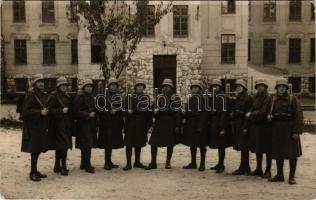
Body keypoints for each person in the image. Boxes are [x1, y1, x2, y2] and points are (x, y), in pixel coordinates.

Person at [268, 78, 303, 185]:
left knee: (292, 154)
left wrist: (296, 131)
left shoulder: (293, 99)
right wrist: (269, 117)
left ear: (286, 88)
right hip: (277, 129)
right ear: (277, 89)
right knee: (279, 153)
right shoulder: (274, 99)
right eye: (279, 87)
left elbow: (298, 116)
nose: (281, 89)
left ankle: (291, 177)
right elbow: (271, 113)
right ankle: (280, 175)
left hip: (289, 129)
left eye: (283, 87)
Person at [146, 78, 182, 170]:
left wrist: (177, 125)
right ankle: (153, 162)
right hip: (159, 122)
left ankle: (168, 162)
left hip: (170, 122)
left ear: (171, 87)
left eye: (168, 86)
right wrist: (155, 111)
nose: (166, 88)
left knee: (170, 143)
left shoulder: (176, 98)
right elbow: (152, 110)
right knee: (153, 143)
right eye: (164, 86)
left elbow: (178, 112)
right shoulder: (158, 97)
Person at [21, 74, 49, 181]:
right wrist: (40, 112)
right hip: (32, 126)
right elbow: (25, 111)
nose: (41, 84)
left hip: (40, 125)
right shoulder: (31, 94)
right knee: (34, 149)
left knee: (38, 149)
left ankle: (35, 170)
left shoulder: (42, 94)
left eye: (42, 82)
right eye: (39, 82)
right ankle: (32, 172)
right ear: (35, 84)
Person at [122, 80, 152, 170]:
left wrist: (149, 124)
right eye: (138, 86)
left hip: (141, 123)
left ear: (143, 88)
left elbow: (148, 111)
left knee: (139, 143)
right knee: (129, 144)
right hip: (130, 123)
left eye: (141, 86)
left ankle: (137, 162)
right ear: (135, 88)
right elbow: (123, 109)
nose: (139, 87)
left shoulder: (146, 97)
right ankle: (128, 164)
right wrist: (127, 112)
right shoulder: (129, 97)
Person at [246, 79, 272, 178]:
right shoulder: (257, 97)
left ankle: (268, 170)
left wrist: (251, 114)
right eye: (258, 86)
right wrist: (252, 113)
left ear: (265, 87)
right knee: (258, 148)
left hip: (265, 127)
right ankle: (258, 169)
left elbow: (263, 113)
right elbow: (253, 108)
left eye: (262, 86)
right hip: (256, 127)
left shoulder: (268, 98)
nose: (260, 87)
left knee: (267, 150)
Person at [205, 79, 232, 173]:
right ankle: (219, 163)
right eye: (213, 86)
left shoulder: (224, 97)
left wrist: (222, 128)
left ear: (220, 87)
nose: (214, 88)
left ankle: (221, 164)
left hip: (221, 123)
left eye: (216, 86)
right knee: (217, 144)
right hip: (213, 124)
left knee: (221, 145)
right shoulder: (212, 97)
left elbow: (225, 113)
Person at [47, 77, 72, 176]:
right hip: (57, 125)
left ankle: (57, 166)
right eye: (63, 85)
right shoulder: (53, 96)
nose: (65, 87)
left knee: (61, 146)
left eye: (66, 85)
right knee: (64, 145)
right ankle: (63, 167)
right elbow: (49, 110)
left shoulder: (67, 96)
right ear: (58, 86)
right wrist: (61, 111)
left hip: (66, 124)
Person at [98, 77, 124, 170]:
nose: (113, 87)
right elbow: (100, 110)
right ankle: (106, 163)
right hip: (106, 124)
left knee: (112, 143)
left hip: (115, 123)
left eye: (115, 85)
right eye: (111, 85)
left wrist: (121, 123)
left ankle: (109, 162)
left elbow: (121, 109)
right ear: (108, 86)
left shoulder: (118, 96)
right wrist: (109, 112)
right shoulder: (103, 97)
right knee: (107, 143)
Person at [181, 80, 208, 171]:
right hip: (191, 124)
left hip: (199, 123)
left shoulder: (203, 99)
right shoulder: (191, 98)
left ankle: (202, 164)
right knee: (192, 144)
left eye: (196, 87)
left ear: (200, 89)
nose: (194, 89)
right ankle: (193, 163)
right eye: (193, 88)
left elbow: (204, 113)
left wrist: (201, 126)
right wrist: (185, 113)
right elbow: (188, 111)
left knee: (202, 145)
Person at [73, 79, 98, 173]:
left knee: (87, 144)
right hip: (83, 124)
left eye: (91, 86)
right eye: (87, 86)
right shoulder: (80, 97)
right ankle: (88, 165)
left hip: (90, 124)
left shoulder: (91, 98)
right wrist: (87, 115)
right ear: (84, 87)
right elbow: (76, 112)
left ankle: (83, 163)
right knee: (87, 145)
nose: (89, 88)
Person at [230, 79, 254, 175]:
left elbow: (248, 114)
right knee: (242, 146)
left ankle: (243, 167)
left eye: (240, 86)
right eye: (237, 87)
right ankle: (245, 167)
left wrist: (246, 127)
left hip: (244, 123)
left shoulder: (248, 98)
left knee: (244, 147)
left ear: (244, 88)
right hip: (238, 123)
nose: (238, 88)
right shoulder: (238, 98)